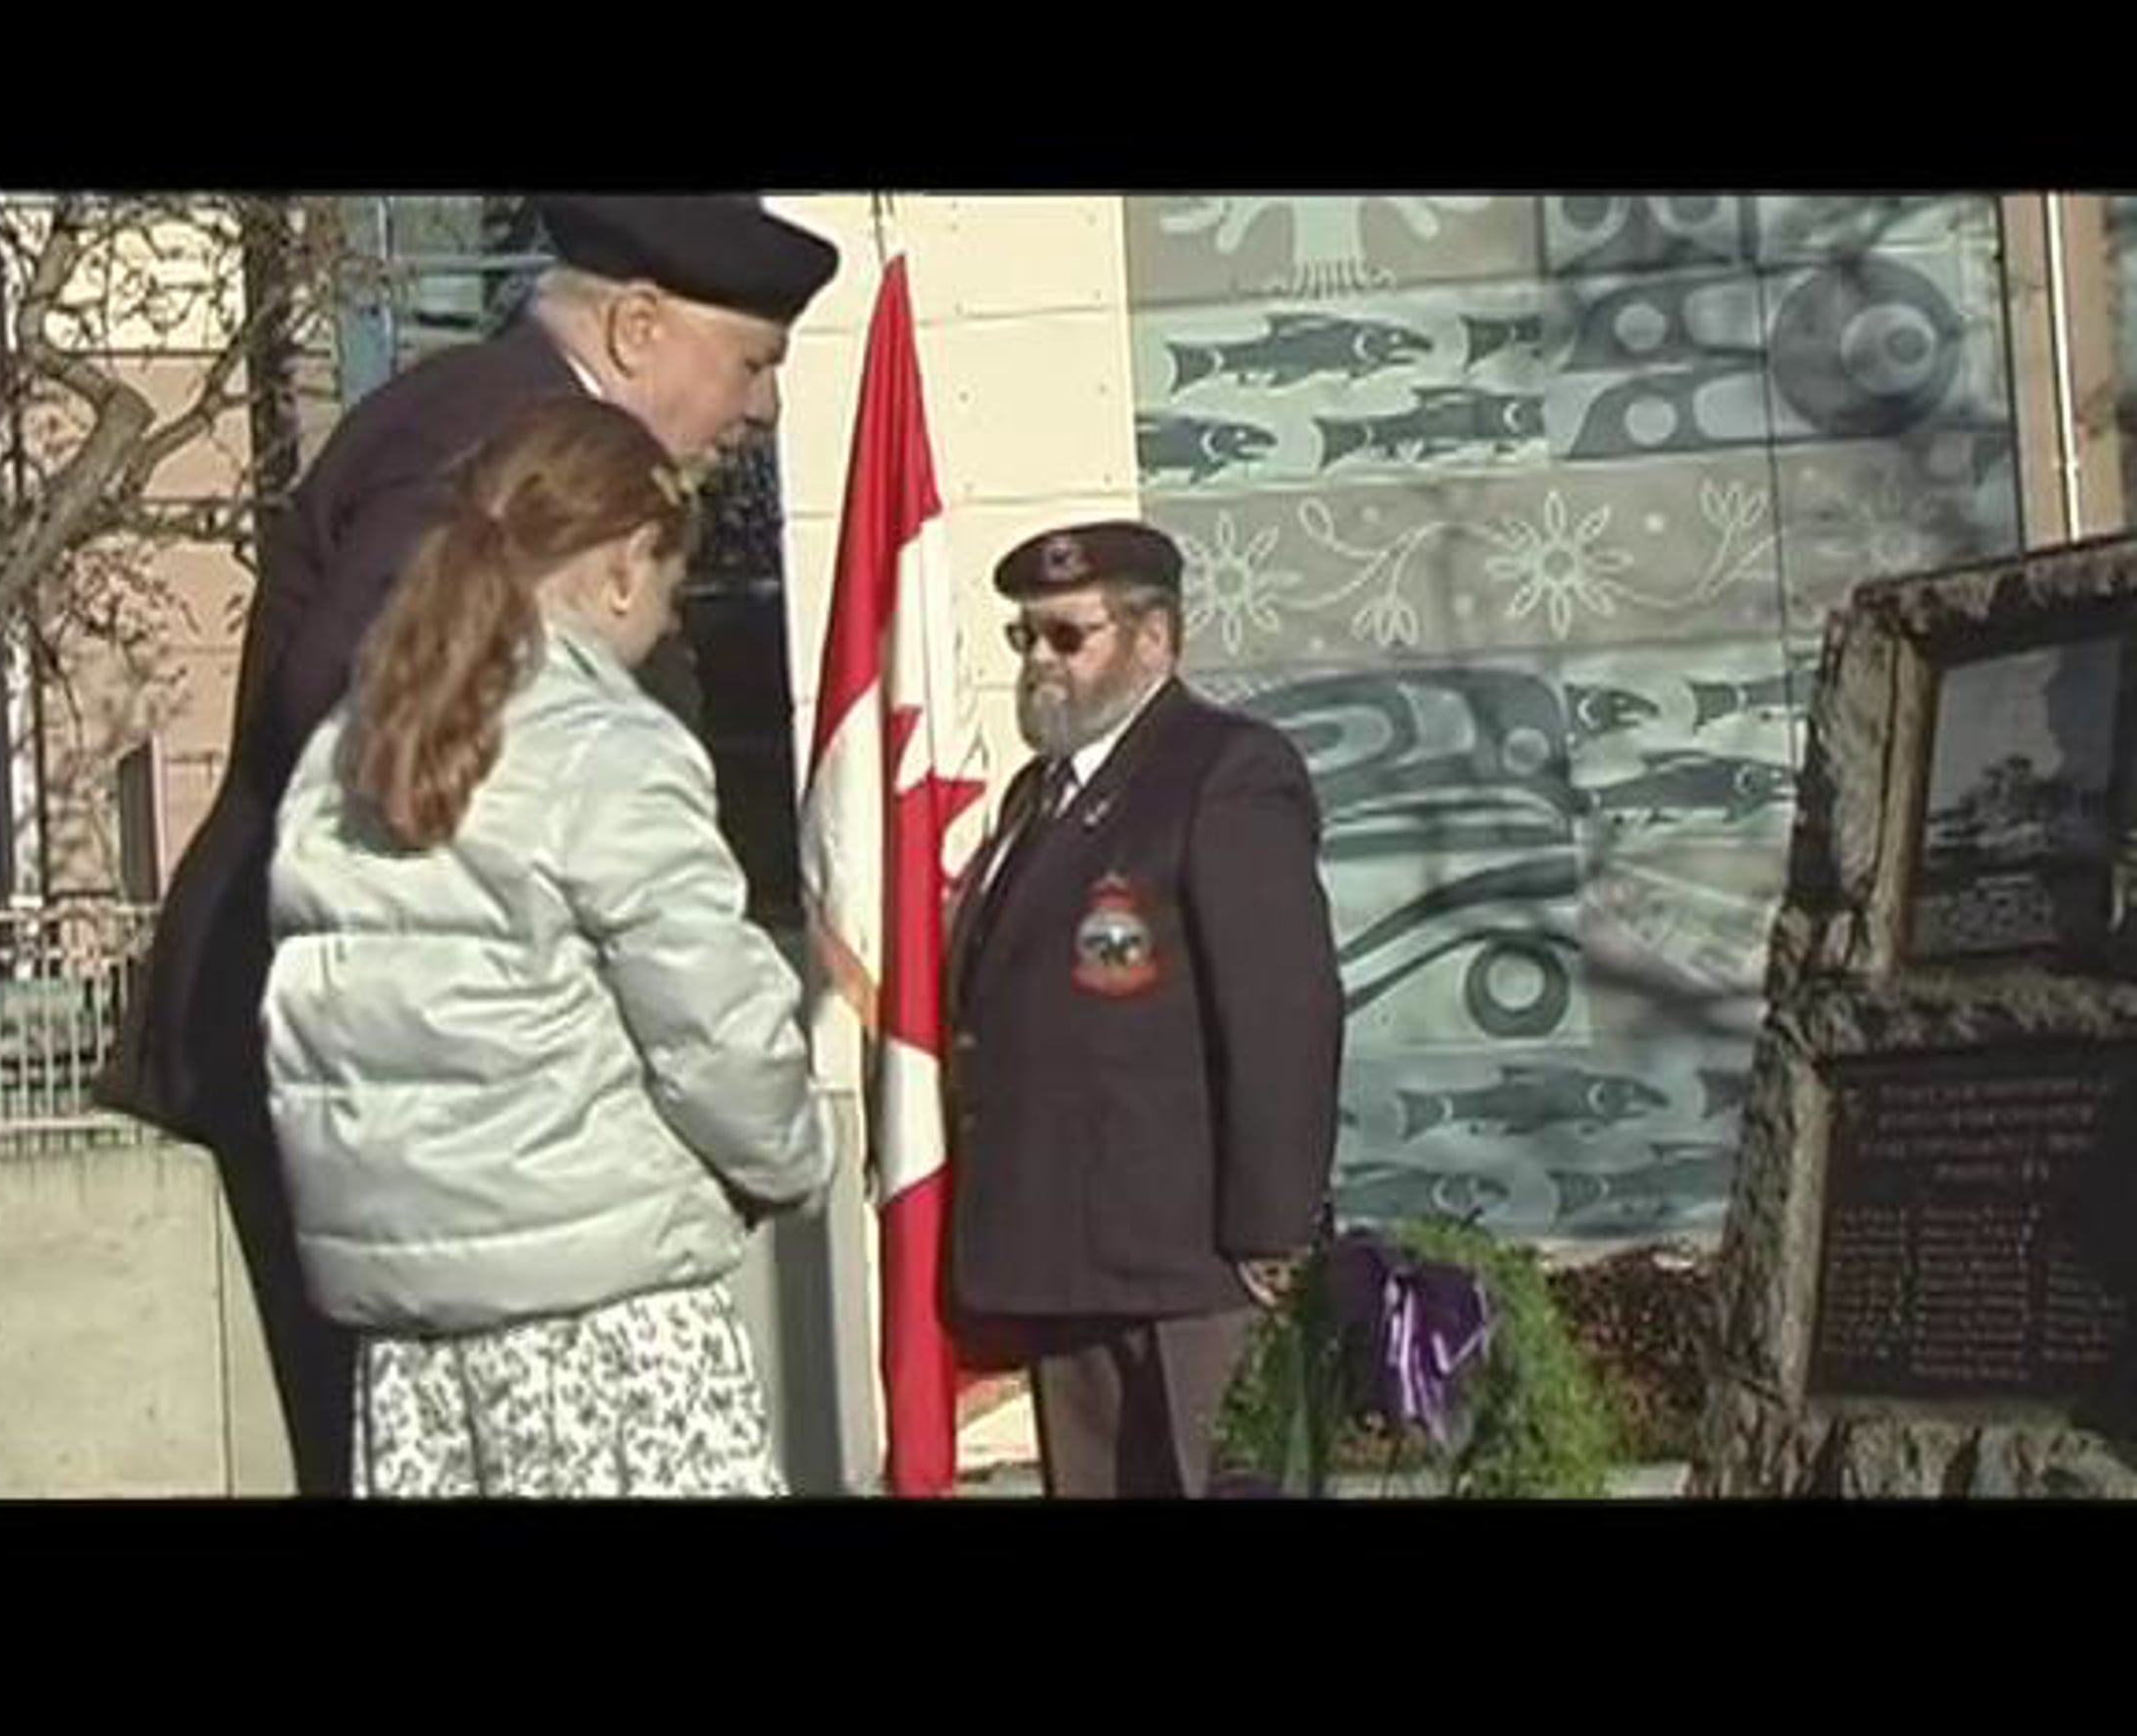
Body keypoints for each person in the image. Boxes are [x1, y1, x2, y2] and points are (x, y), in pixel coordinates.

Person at [96, 195, 838, 1493]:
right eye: (752, 361)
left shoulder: (477, 420)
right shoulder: (498, 441)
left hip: (421, 1139)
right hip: (461, 1149)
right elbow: (365, 715)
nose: (761, 407)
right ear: (639, 326)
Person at [263, 395, 832, 1497]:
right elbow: (714, 1032)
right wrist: (793, 1154)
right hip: (606, 1326)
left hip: (415, 1346)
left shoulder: (345, 755)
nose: (663, 624)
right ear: (624, 566)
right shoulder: (608, 751)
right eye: (668, 589)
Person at [943, 520, 1345, 1497]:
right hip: (1065, 1257)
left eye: (1067, 636)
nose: (1039, 661)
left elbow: (1281, 1013)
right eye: (1025, 637)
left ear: (1154, 638)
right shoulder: (1038, 796)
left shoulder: (1223, 771)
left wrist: (1272, 1231)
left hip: (1192, 1262)